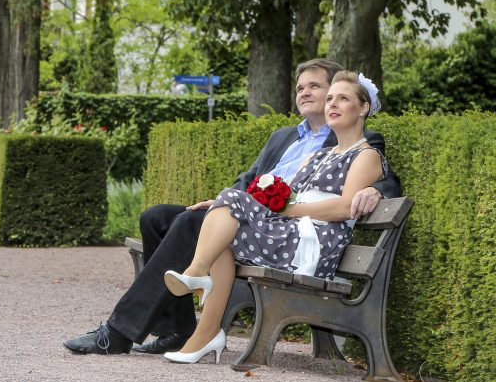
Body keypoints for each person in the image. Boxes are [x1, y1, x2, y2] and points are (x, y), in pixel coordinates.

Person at [63, 60, 402, 356]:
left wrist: (376, 189)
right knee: (155, 217)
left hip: (280, 224)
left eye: (316, 86)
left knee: (189, 224)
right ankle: (176, 330)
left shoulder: (349, 138)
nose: (306, 93)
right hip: (253, 213)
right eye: (300, 87)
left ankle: (119, 332)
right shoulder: (283, 137)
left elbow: (385, 176)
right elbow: (250, 179)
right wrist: (223, 201)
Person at [161, 70, 389, 363]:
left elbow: (345, 208)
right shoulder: (318, 155)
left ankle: (196, 274)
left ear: (363, 108)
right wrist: (269, 204)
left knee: (230, 198)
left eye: (343, 99)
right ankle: (205, 335)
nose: (333, 104)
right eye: (330, 98)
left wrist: (288, 210)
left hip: (315, 243)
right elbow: (288, 197)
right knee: (224, 233)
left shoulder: (366, 155)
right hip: (292, 231)